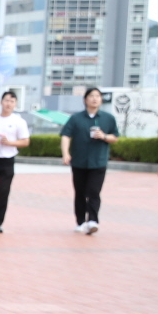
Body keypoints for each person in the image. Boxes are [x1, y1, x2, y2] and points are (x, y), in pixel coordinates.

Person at [59, 87, 118, 233]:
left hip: (98, 162)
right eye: (91, 96)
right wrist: (66, 153)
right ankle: (80, 221)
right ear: (85, 100)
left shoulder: (108, 118)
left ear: (101, 99)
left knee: (93, 191)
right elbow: (66, 135)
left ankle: (92, 220)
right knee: (79, 193)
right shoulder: (76, 118)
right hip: (79, 162)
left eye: (97, 96)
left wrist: (103, 136)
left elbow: (114, 137)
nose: (95, 98)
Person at [0, 91, 30, 234]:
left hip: (8, 161)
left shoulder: (19, 121)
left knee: (4, 192)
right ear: (1, 102)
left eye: (12, 101)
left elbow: (25, 141)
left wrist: (10, 143)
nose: (9, 103)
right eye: (6, 100)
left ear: (15, 104)